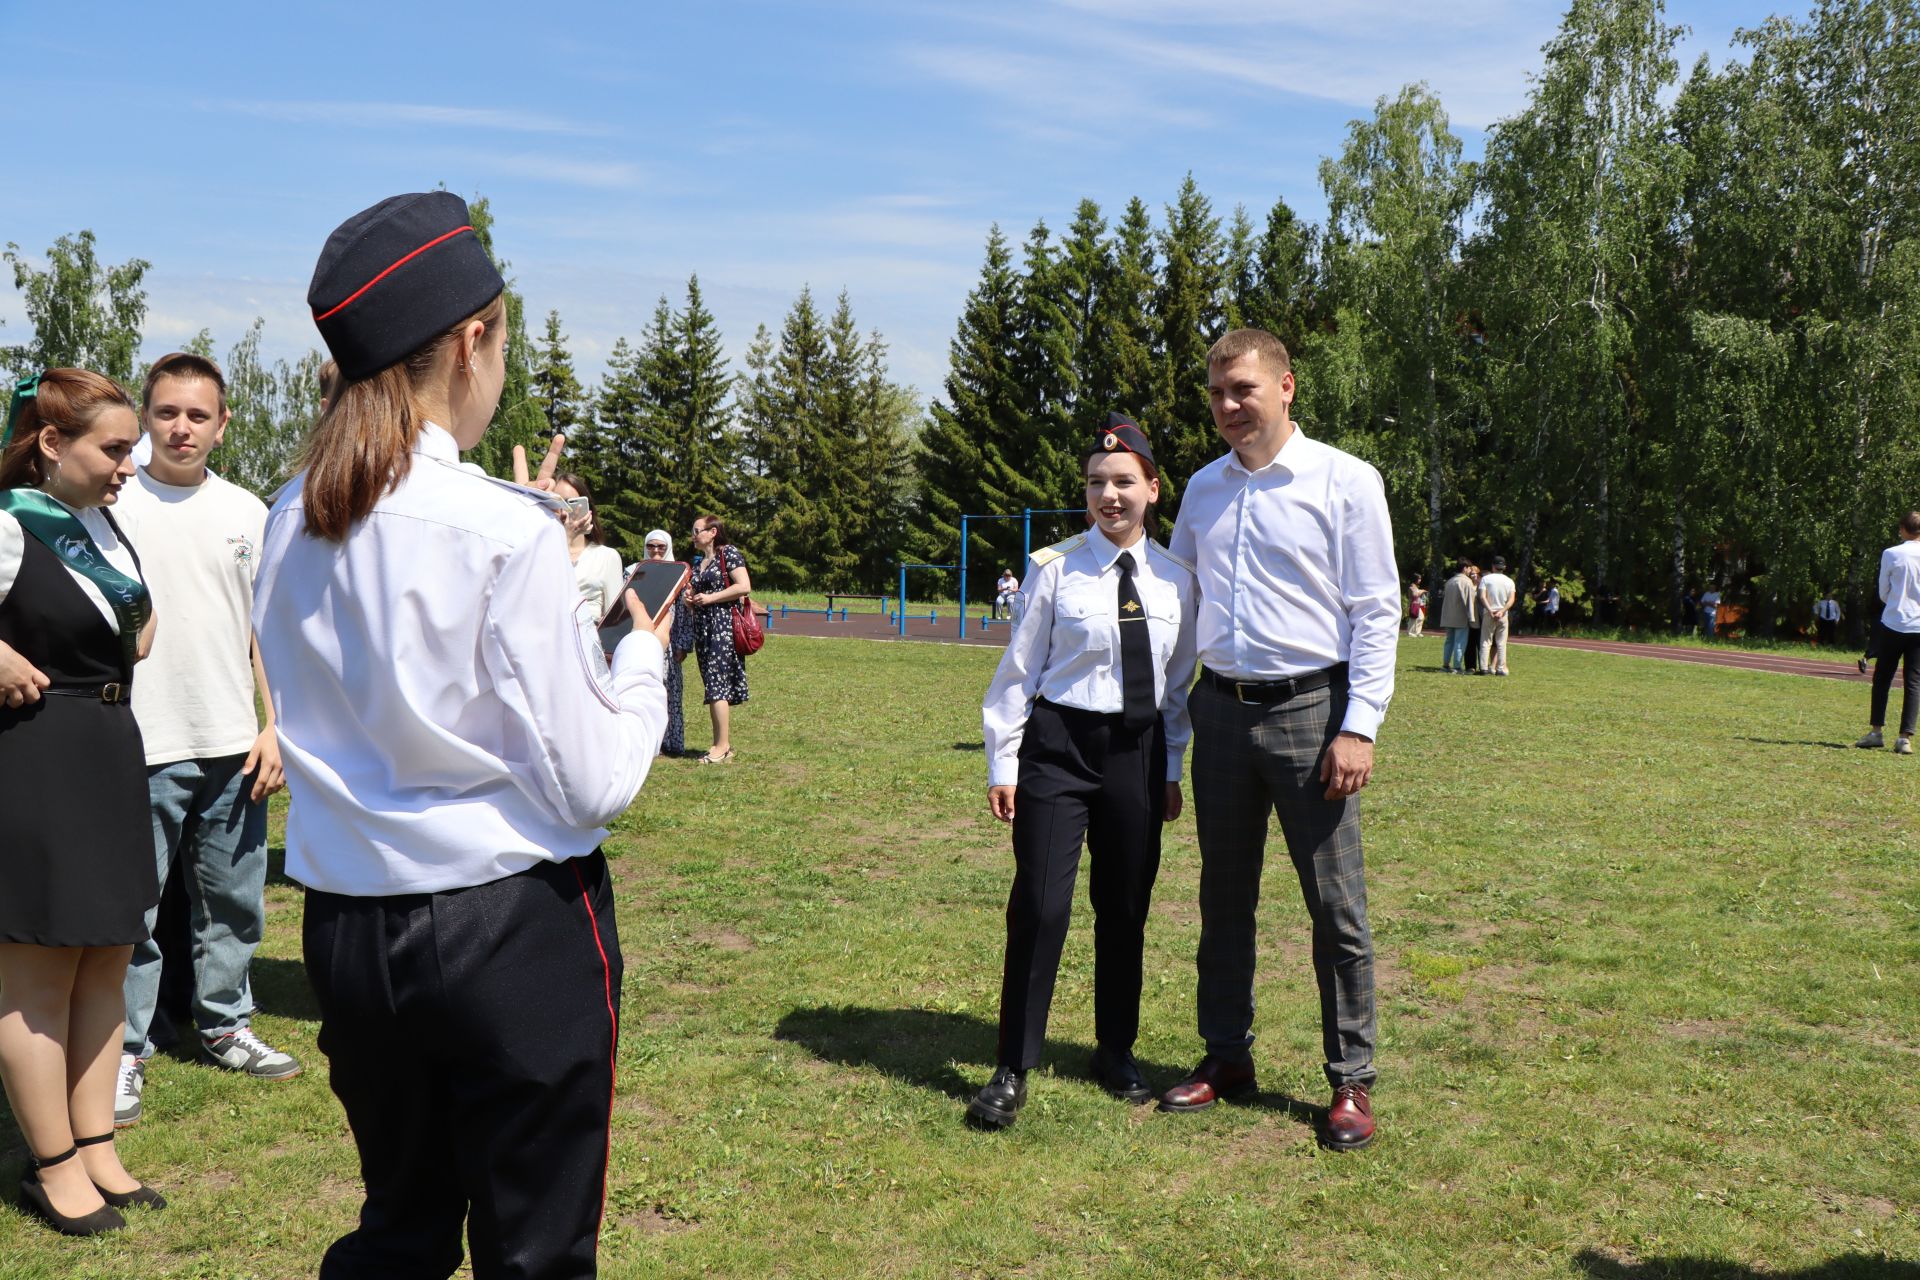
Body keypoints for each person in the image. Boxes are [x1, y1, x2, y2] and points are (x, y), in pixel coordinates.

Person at [251, 192, 673, 1278]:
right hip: (507, 930)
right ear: (473, 339)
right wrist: (642, 664)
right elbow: (592, 783)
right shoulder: (501, 529)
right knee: (534, 1251)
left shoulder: (285, 516)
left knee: (401, 1226)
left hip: (347, 929)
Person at [1161, 329, 1398, 1152]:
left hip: (1312, 715)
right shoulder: (1201, 490)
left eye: (1244, 390)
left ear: (1286, 386)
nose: (1229, 407)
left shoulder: (1346, 480)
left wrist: (1358, 725)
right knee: (1223, 902)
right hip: (1220, 712)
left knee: (1335, 907)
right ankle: (1227, 1057)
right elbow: (1181, 615)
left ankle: (1352, 1082)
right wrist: (1170, 732)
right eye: (1218, 393)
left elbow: (1376, 613)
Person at [967, 415, 1198, 1130]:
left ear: (1153, 490)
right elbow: (1017, 673)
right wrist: (1002, 759)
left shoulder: (1178, 581)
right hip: (1058, 746)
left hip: (1136, 750)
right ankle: (1012, 1064)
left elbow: (1177, 683)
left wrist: (1169, 765)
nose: (1110, 495)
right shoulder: (1053, 569)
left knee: (1125, 906)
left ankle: (1115, 1049)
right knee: (1040, 904)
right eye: (1098, 483)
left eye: (1125, 482)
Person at [112, 353, 297, 1134]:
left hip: (233, 743)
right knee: (134, 911)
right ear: (144, 419)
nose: (181, 427)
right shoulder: (111, 506)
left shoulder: (251, 513)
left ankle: (224, 1024)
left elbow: (270, 633)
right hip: (137, 742)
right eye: (166, 413)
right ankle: (124, 1047)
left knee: (233, 901)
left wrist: (275, 722)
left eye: (197, 415)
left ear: (223, 425)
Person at [0, 369, 165, 1235]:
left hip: (108, 747)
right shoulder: (6, 522)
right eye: (113, 448)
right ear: (52, 445)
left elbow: (129, 635)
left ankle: (96, 1145)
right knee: (38, 969)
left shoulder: (104, 525)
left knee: (107, 953)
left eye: (129, 449)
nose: (127, 465)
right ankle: (52, 1166)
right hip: (35, 754)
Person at [688, 514, 750, 764]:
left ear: (712, 532)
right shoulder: (700, 562)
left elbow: (744, 586)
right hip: (704, 630)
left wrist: (710, 598)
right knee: (712, 685)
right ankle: (720, 743)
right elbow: (697, 592)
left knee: (717, 686)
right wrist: (691, 600)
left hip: (722, 628)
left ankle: (721, 746)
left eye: (697, 531)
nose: (693, 536)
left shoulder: (729, 554)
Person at [1856, 512, 1920, 755]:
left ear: (1903, 529)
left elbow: (1883, 592)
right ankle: (1905, 738)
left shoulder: (1892, 553)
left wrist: (1895, 600)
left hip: (1894, 621)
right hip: (1919, 626)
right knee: (1913, 681)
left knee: (1883, 678)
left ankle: (1876, 732)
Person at [645, 528, 695, 757]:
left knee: (671, 694)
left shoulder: (679, 575)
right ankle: (647, 743)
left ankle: (671, 743)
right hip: (644, 640)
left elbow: (685, 613)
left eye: (661, 546)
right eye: (651, 546)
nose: (655, 551)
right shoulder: (635, 572)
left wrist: (683, 645)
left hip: (671, 644)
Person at [553, 472, 624, 624]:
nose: (563, 511)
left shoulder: (606, 557)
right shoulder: (542, 557)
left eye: (570, 503)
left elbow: (615, 620)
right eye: (556, 503)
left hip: (588, 642)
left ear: (587, 508)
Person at [1477, 556, 1516, 676]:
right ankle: (1500, 668)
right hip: (1502, 614)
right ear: (1504, 567)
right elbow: (1511, 600)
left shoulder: (1486, 579)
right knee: (1501, 642)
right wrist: (1502, 611)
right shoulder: (1509, 581)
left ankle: (1484, 667)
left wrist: (1490, 610)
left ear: (1493, 566)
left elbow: (1482, 596)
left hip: (1489, 612)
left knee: (1486, 640)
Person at [1438, 561, 1476, 673]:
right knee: (1459, 642)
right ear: (1465, 568)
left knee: (1449, 641)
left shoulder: (1449, 581)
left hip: (1448, 616)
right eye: (1469, 568)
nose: (1470, 571)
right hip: (1461, 617)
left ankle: (1445, 665)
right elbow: (1470, 601)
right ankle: (1457, 666)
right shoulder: (1467, 582)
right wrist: (1472, 617)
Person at [1406, 573, 1427, 638]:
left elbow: (1417, 593)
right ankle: (1410, 633)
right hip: (1413, 604)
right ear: (1415, 579)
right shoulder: (1412, 587)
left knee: (1421, 617)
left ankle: (1417, 632)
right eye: (1419, 579)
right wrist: (1422, 591)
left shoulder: (1416, 587)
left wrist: (1421, 591)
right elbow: (1415, 595)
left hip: (1418, 604)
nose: (1420, 580)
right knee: (1413, 618)